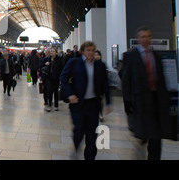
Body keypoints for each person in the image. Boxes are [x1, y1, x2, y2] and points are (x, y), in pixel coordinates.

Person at [120, 26, 175, 160]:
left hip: (156, 100)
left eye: (148, 36)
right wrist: (127, 100)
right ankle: (143, 142)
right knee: (144, 131)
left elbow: (161, 78)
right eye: (143, 36)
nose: (146, 39)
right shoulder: (130, 56)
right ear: (138, 38)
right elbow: (125, 80)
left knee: (156, 136)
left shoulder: (155, 56)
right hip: (140, 101)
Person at [60, 41, 111, 160]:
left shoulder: (100, 65)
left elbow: (105, 84)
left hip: (93, 104)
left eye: (93, 50)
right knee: (79, 129)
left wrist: (108, 102)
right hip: (78, 103)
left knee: (92, 134)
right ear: (83, 51)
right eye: (88, 50)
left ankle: (90, 156)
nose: (91, 53)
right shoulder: (74, 63)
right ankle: (76, 145)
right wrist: (70, 94)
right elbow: (63, 77)